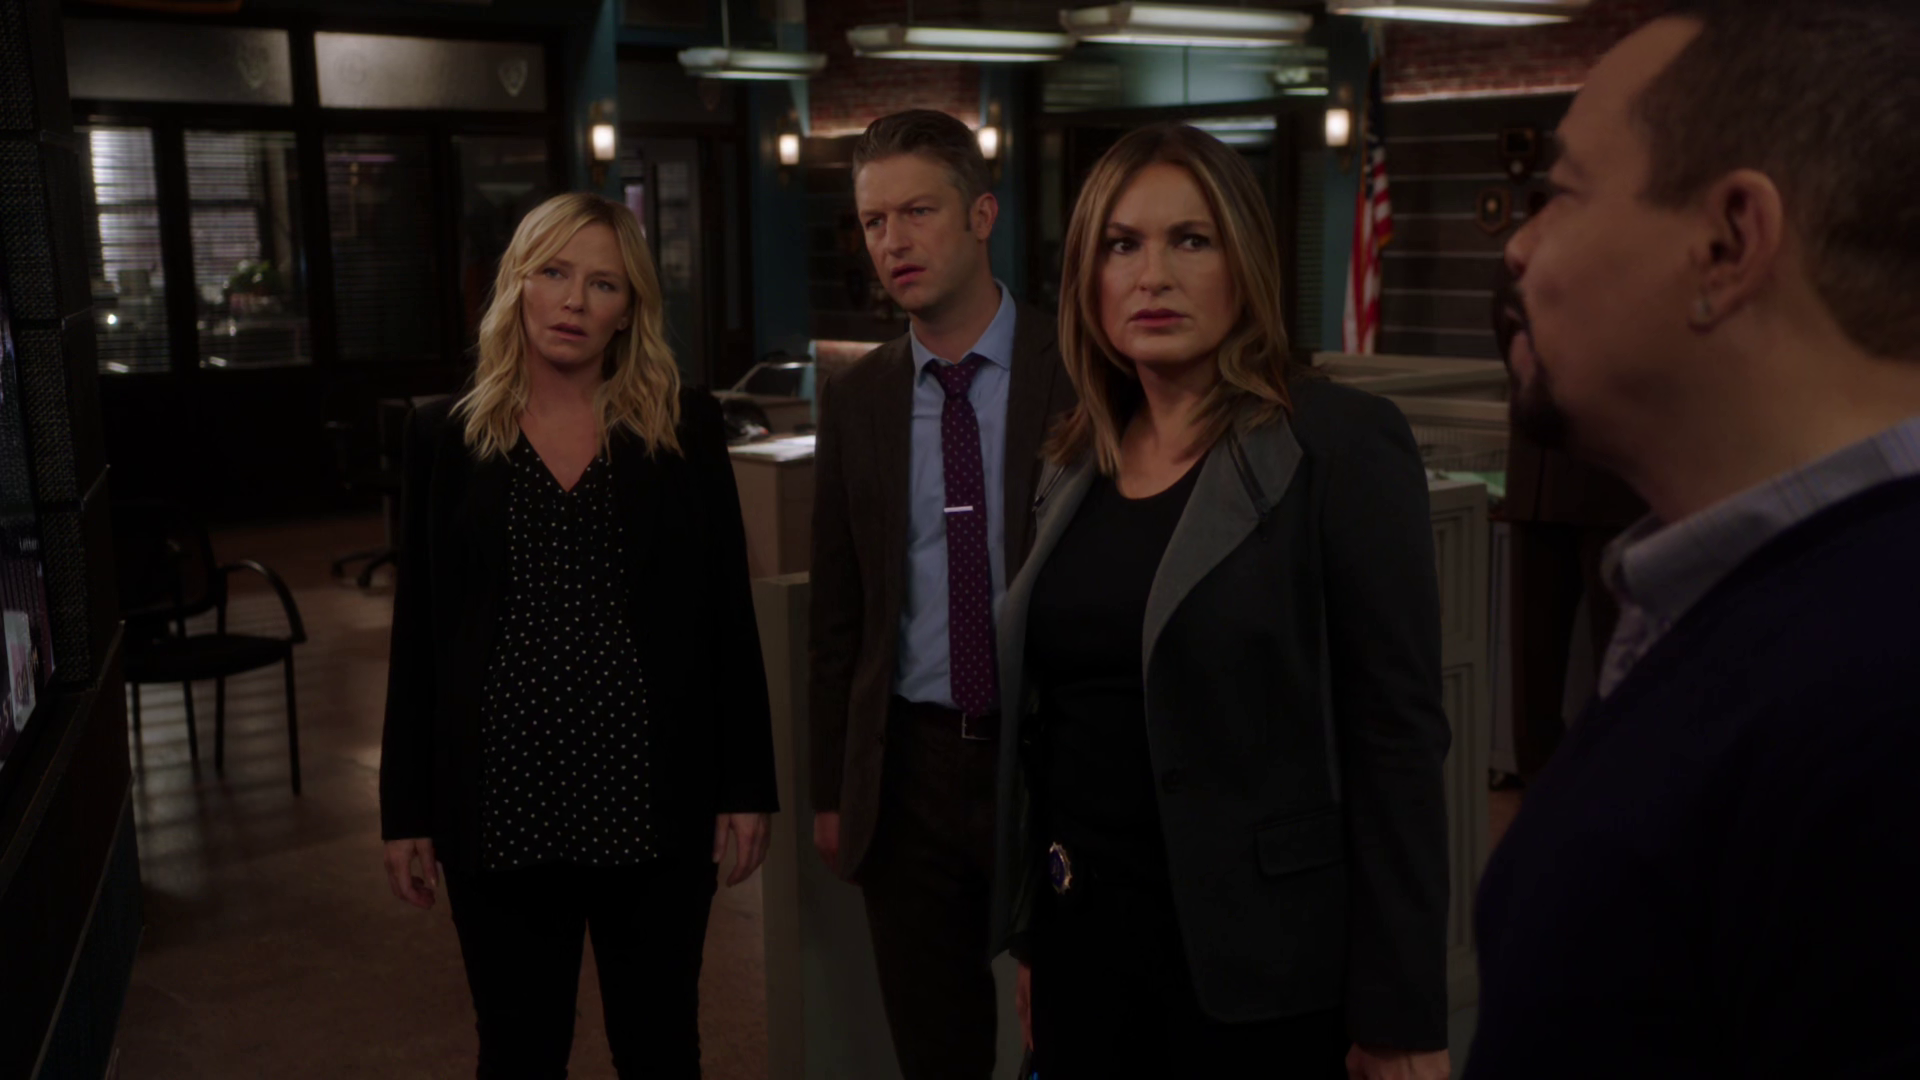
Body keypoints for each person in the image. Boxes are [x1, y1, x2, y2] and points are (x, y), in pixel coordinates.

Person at [1469, 2, 1920, 1076]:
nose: (1519, 246)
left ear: (1728, 244)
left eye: (1562, 194)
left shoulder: (1879, 706)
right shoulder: (1773, 608)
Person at [988, 122, 1452, 1079]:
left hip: (1260, 973)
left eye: (1190, 240)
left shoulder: (1339, 443)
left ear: (1244, 262)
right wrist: (1035, 933)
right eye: (1122, 245)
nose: (1152, 276)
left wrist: (1402, 1014)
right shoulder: (1074, 456)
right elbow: (1059, 729)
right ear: (1088, 276)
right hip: (1086, 948)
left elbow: (1397, 741)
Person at [379, 192, 777, 1080]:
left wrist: (747, 784)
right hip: (500, 799)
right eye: (553, 273)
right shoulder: (444, 434)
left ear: (629, 309)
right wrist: (404, 810)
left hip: (653, 795)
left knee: (660, 1047)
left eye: (603, 283)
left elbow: (727, 616)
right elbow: (420, 637)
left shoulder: (683, 425)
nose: (573, 301)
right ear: (516, 284)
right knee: (518, 1052)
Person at [807, 109, 1077, 1080]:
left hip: (1049, 754)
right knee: (937, 1052)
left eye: (917, 211)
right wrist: (832, 788)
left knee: (1073, 1035)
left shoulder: (1079, 368)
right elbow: (840, 612)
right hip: (909, 768)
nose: (894, 242)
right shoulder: (859, 397)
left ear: (981, 215)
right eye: (874, 222)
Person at [1492, 263, 1644, 782]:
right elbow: (1509, 335)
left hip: (1608, 487)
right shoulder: (1524, 260)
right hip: (1538, 486)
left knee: (1617, 665)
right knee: (1532, 672)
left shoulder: (1623, 264)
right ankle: (1541, 790)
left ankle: (1614, 787)